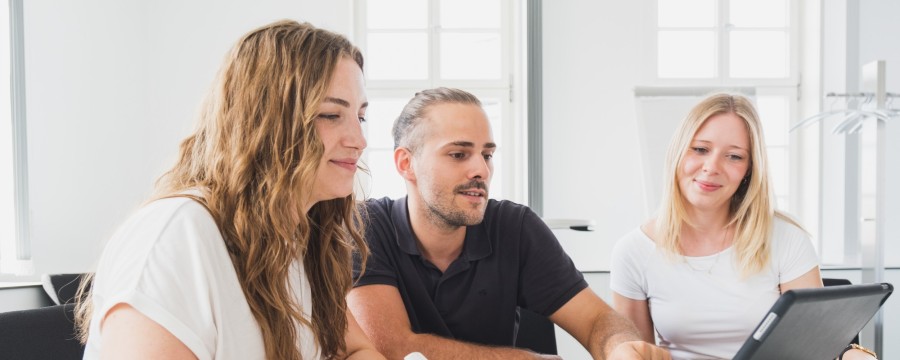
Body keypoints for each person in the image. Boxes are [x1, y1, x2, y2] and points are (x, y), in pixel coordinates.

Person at [74, 20, 385, 360]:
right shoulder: (175, 238)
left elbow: (354, 349)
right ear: (264, 121)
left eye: (361, 116)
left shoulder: (298, 236)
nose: (359, 140)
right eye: (330, 115)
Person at [348, 87, 671, 360]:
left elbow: (597, 320)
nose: (481, 171)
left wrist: (620, 348)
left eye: (487, 155)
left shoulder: (515, 227)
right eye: (459, 154)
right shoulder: (366, 226)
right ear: (407, 164)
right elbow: (391, 348)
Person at [610, 93, 876, 360]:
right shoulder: (633, 252)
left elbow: (818, 346)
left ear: (749, 169)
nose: (711, 167)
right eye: (700, 149)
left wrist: (855, 355)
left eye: (734, 156)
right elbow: (636, 352)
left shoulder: (787, 239)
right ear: (678, 152)